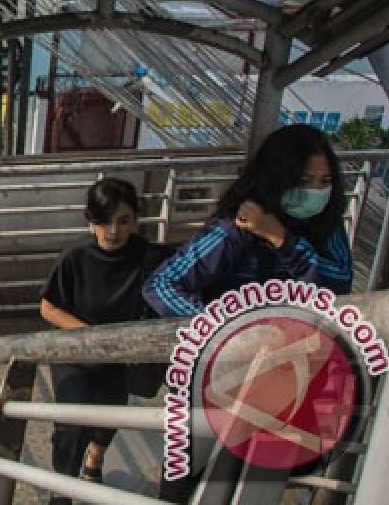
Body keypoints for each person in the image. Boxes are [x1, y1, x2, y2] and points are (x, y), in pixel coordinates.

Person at [39, 178, 171, 498]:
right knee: (69, 427)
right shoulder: (74, 258)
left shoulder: (150, 258)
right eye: (103, 221)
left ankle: (94, 461)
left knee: (109, 411)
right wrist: (88, 335)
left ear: (136, 220)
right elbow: (49, 307)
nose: (113, 231)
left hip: (120, 358)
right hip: (76, 356)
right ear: (90, 220)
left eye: (123, 221)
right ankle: (62, 488)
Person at [143, 124, 353, 318]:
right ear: (276, 179)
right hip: (236, 348)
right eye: (304, 181)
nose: (316, 192)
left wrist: (283, 240)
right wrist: (218, 329)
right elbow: (161, 285)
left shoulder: (327, 223)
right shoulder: (237, 226)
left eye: (325, 181)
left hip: (301, 343)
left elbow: (339, 283)